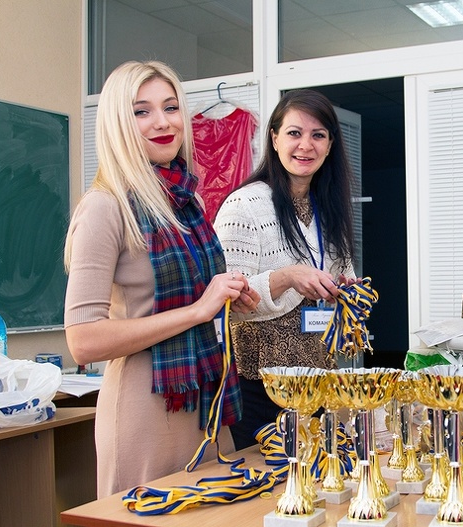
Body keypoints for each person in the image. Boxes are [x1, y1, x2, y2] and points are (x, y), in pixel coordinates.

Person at [63, 60, 261, 498]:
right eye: (142, 111)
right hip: (146, 409)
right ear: (118, 123)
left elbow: (198, 301)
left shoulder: (187, 203)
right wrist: (198, 310)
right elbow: (83, 341)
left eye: (171, 108)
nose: (163, 122)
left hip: (205, 403)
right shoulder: (104, 206)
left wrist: (228, 296)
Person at [214, 89, 359, 450]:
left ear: (330, 145)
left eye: (318, 135)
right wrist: (289, 276)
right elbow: (224, 304)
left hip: (318, 376)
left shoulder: (329, 208)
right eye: (294, 133)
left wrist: (345, 291)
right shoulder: (244, 205)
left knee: (320, 474)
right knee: (269, 477)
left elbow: (342, 274)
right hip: (258, 384)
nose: (305, 145)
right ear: (275, 138)